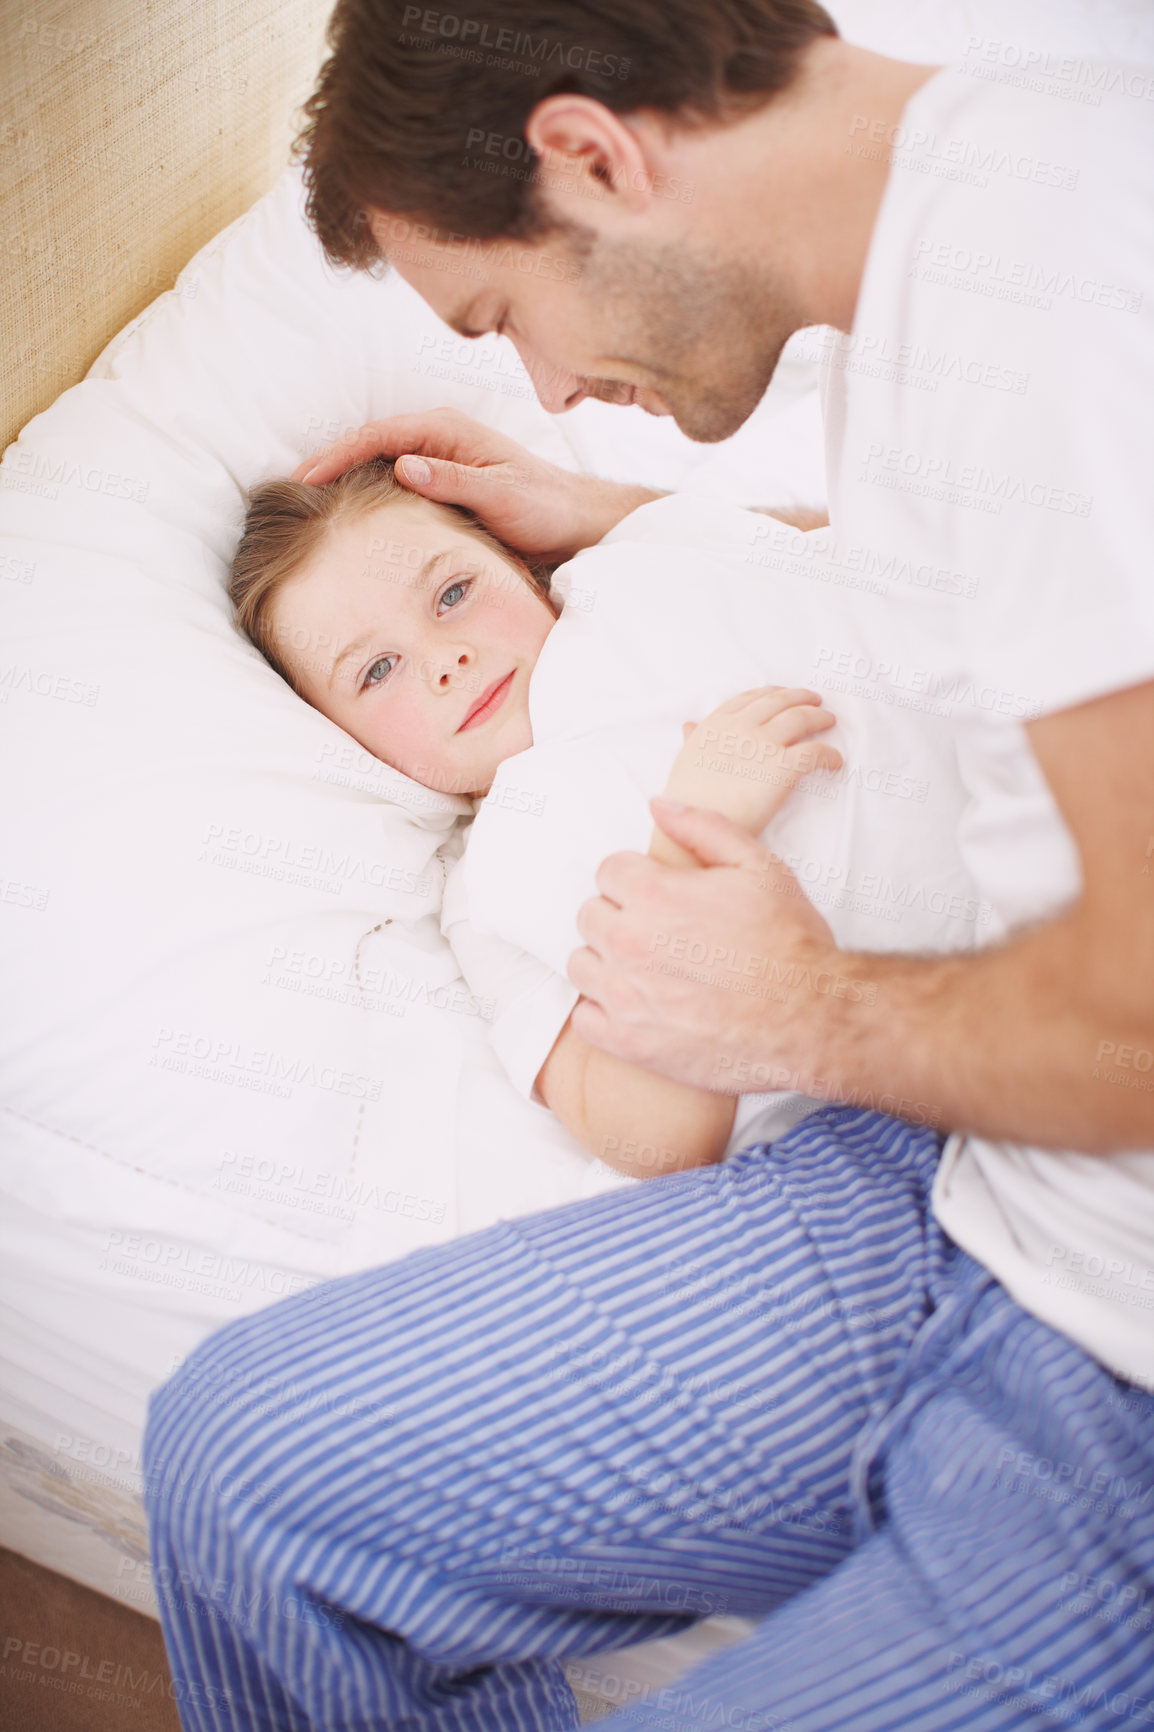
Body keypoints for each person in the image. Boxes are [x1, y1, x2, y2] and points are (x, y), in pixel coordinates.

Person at [142, 2, 1154, 1727]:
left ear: (590, 159)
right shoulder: (946, 269)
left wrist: (797, 1008)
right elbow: (986, 587)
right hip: (960, 1170)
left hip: (1110, 1324)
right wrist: (619, 528)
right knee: (241, 1461)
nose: (541, 386)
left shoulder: (1066, 281)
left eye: (502, 316)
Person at [229, 457, 841, 1174]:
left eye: (454, 592)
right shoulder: (491, 890)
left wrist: (603, 506)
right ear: (348, 741)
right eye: (376, 671)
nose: (444, 659)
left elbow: (887, 554)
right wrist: (694, 845)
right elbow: (659, 1141)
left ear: (521, 565)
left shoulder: (643, 565)